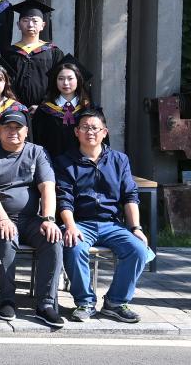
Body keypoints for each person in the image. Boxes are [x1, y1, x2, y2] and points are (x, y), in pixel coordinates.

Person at [56, 108, 154, 323]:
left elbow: (130, 196)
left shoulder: (119, 160)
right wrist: (70, 226)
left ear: (104, 132)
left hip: (111, 224)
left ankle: (115, 303)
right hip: (80, 223)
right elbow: (64, 199)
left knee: (138, 249)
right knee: (73, 246)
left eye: (94, 128)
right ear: (76, 132)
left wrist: (136, 228)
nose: (89, 132)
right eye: (84, 127)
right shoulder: (65, 162)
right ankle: (85, 302)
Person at [0, 109, 64, 327]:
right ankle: (7, 298)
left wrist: (49, 219)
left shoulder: (37, 152)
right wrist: (3, 219)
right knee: (5, 238)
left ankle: (46, 304)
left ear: (26, 131)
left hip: (32, 218)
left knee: (53, 239)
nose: (12, 131)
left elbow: (48, 188)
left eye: (18, 128)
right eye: (7, 127)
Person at [31, 55, 97, 158]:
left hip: (84, 163)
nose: (65, 83)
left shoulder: (90, 109)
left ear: (78, 80)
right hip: (51, 162)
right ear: (55, 81)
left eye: (70, 78)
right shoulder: (44, 110)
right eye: (61, 79)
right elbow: (37, 140)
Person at [3, 0, 64, 108]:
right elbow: (5, 83)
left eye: (35, 21)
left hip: (46, 109)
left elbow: (58, 82)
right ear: (18, 25)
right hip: (14, 109)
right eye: (25, 20)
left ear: (43, 25)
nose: (30, 25)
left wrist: (44, 106)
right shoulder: (8, 53)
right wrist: (15, 105)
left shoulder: (53, 52)